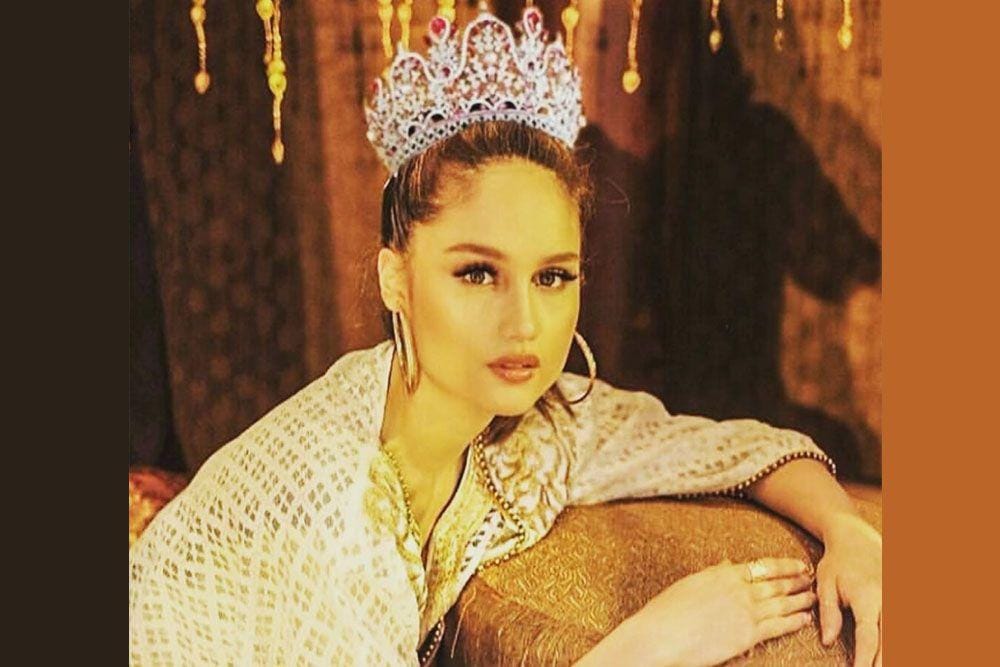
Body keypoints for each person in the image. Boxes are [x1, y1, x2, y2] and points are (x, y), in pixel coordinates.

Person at [129, 7, 881, 666]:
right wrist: (651, 646)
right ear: (395, 278)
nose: (524, 322)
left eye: (552, 276)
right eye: (477, 273)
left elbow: (717, 448)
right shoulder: (335, 503)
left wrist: (851, 533)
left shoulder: (528, 426)